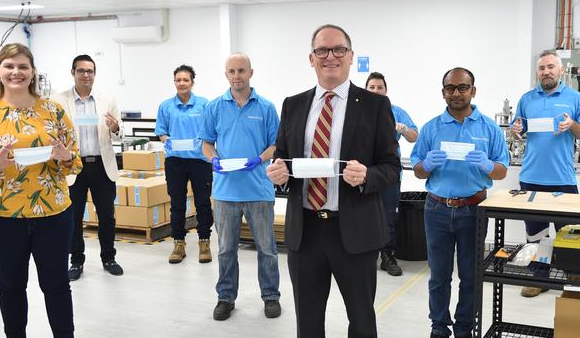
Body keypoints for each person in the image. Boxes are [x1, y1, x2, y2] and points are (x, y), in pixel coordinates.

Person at [266, 24, 401, 338]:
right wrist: (278, 176)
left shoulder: (374, 105)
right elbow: (283, 162)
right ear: (311, 58)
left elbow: (392, 167)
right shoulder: (293, 105)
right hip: (305, 232)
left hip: (354, 233)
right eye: (322, 50)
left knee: (362, 321)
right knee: (308, 323)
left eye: (338, 49)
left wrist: (368, 175)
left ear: (351, 56)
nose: (330, 56)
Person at [0, 43, 83, 337]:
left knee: (56, 285)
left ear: (33, 72)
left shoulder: (52, 110)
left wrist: (65, 157)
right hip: (1, 218)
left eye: (23, 66)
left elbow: (75, 162)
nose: (17, 72)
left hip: (53, 214)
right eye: (9, 66)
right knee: (11, 286)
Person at [410, 67, 509, 338]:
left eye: (462, 87)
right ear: (443, 93)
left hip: (474, 210)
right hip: (437, 209)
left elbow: (502, 170)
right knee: (439, 276)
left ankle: (465, 328)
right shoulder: (431, 128)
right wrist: (426, 165)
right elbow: (417, 169)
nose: (456, 93)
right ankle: (439, 327)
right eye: (450, 88)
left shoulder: (489, 127)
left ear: (473, 91)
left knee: (470, 276)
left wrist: (489, 166)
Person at [200, 53, 281, 321]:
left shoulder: (266, 107)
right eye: (232, 71)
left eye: (242, 71)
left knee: (267, 249)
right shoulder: (214, 107)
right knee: (225, 250)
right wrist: (214, 160)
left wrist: (260, 158)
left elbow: (275, 145)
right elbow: (206, 143)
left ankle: (270, 296)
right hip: (225, 193)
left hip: (258, 190)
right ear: (226, 75)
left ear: (251, 73)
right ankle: (225, 297)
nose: (237, 76)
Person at [510, 51, 580, 298]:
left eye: (550, 67)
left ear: (560, 70)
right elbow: (518, 130)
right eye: (541, 68)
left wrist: (573, 126)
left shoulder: (575, 98)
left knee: (570, 234)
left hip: (563, 179)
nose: (545, 72)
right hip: (531, 177)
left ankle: (574, 282)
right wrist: (515, 130)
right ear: (537, 72)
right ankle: (540, 278)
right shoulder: (526, 99)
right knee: (536, 234)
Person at [52, 54, 124, 280]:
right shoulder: (58, 100)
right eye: (81, 70)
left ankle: (109, 257)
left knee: (107, 216)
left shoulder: (107, 99)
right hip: (73, 167)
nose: (86, 75)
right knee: (73, 217)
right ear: (73, 73)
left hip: (101, 165)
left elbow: (119, 133)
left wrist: (114, 127)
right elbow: (51, 131)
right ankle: (76, 261)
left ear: (94, 74)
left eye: (90, 71)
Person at [155, 64, 213, 264]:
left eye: (185, 80)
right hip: (175, 162)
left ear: (192, 82)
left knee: (203, 204)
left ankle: (204, 242)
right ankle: (178, 244)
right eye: (178, 80)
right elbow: (161, 132)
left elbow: (211, 131)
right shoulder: (166, 106)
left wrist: (204, 142)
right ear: (174, 82)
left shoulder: (204, 105)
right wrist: (166, 141)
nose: (182, 83)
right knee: (177, 204)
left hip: (200, 160)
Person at [365, 71, 418, 276]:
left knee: (388, 215)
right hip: (365, 173)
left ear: (386, 90)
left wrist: (404, 130)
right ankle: (366, 256)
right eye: (372, 87)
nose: (376, 91)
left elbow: (414, 137)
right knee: (364, 214)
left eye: (380, 87)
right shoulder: (358, 111)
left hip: (389, 174)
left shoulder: (396, 112)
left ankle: (387, 256)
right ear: (366, 90)